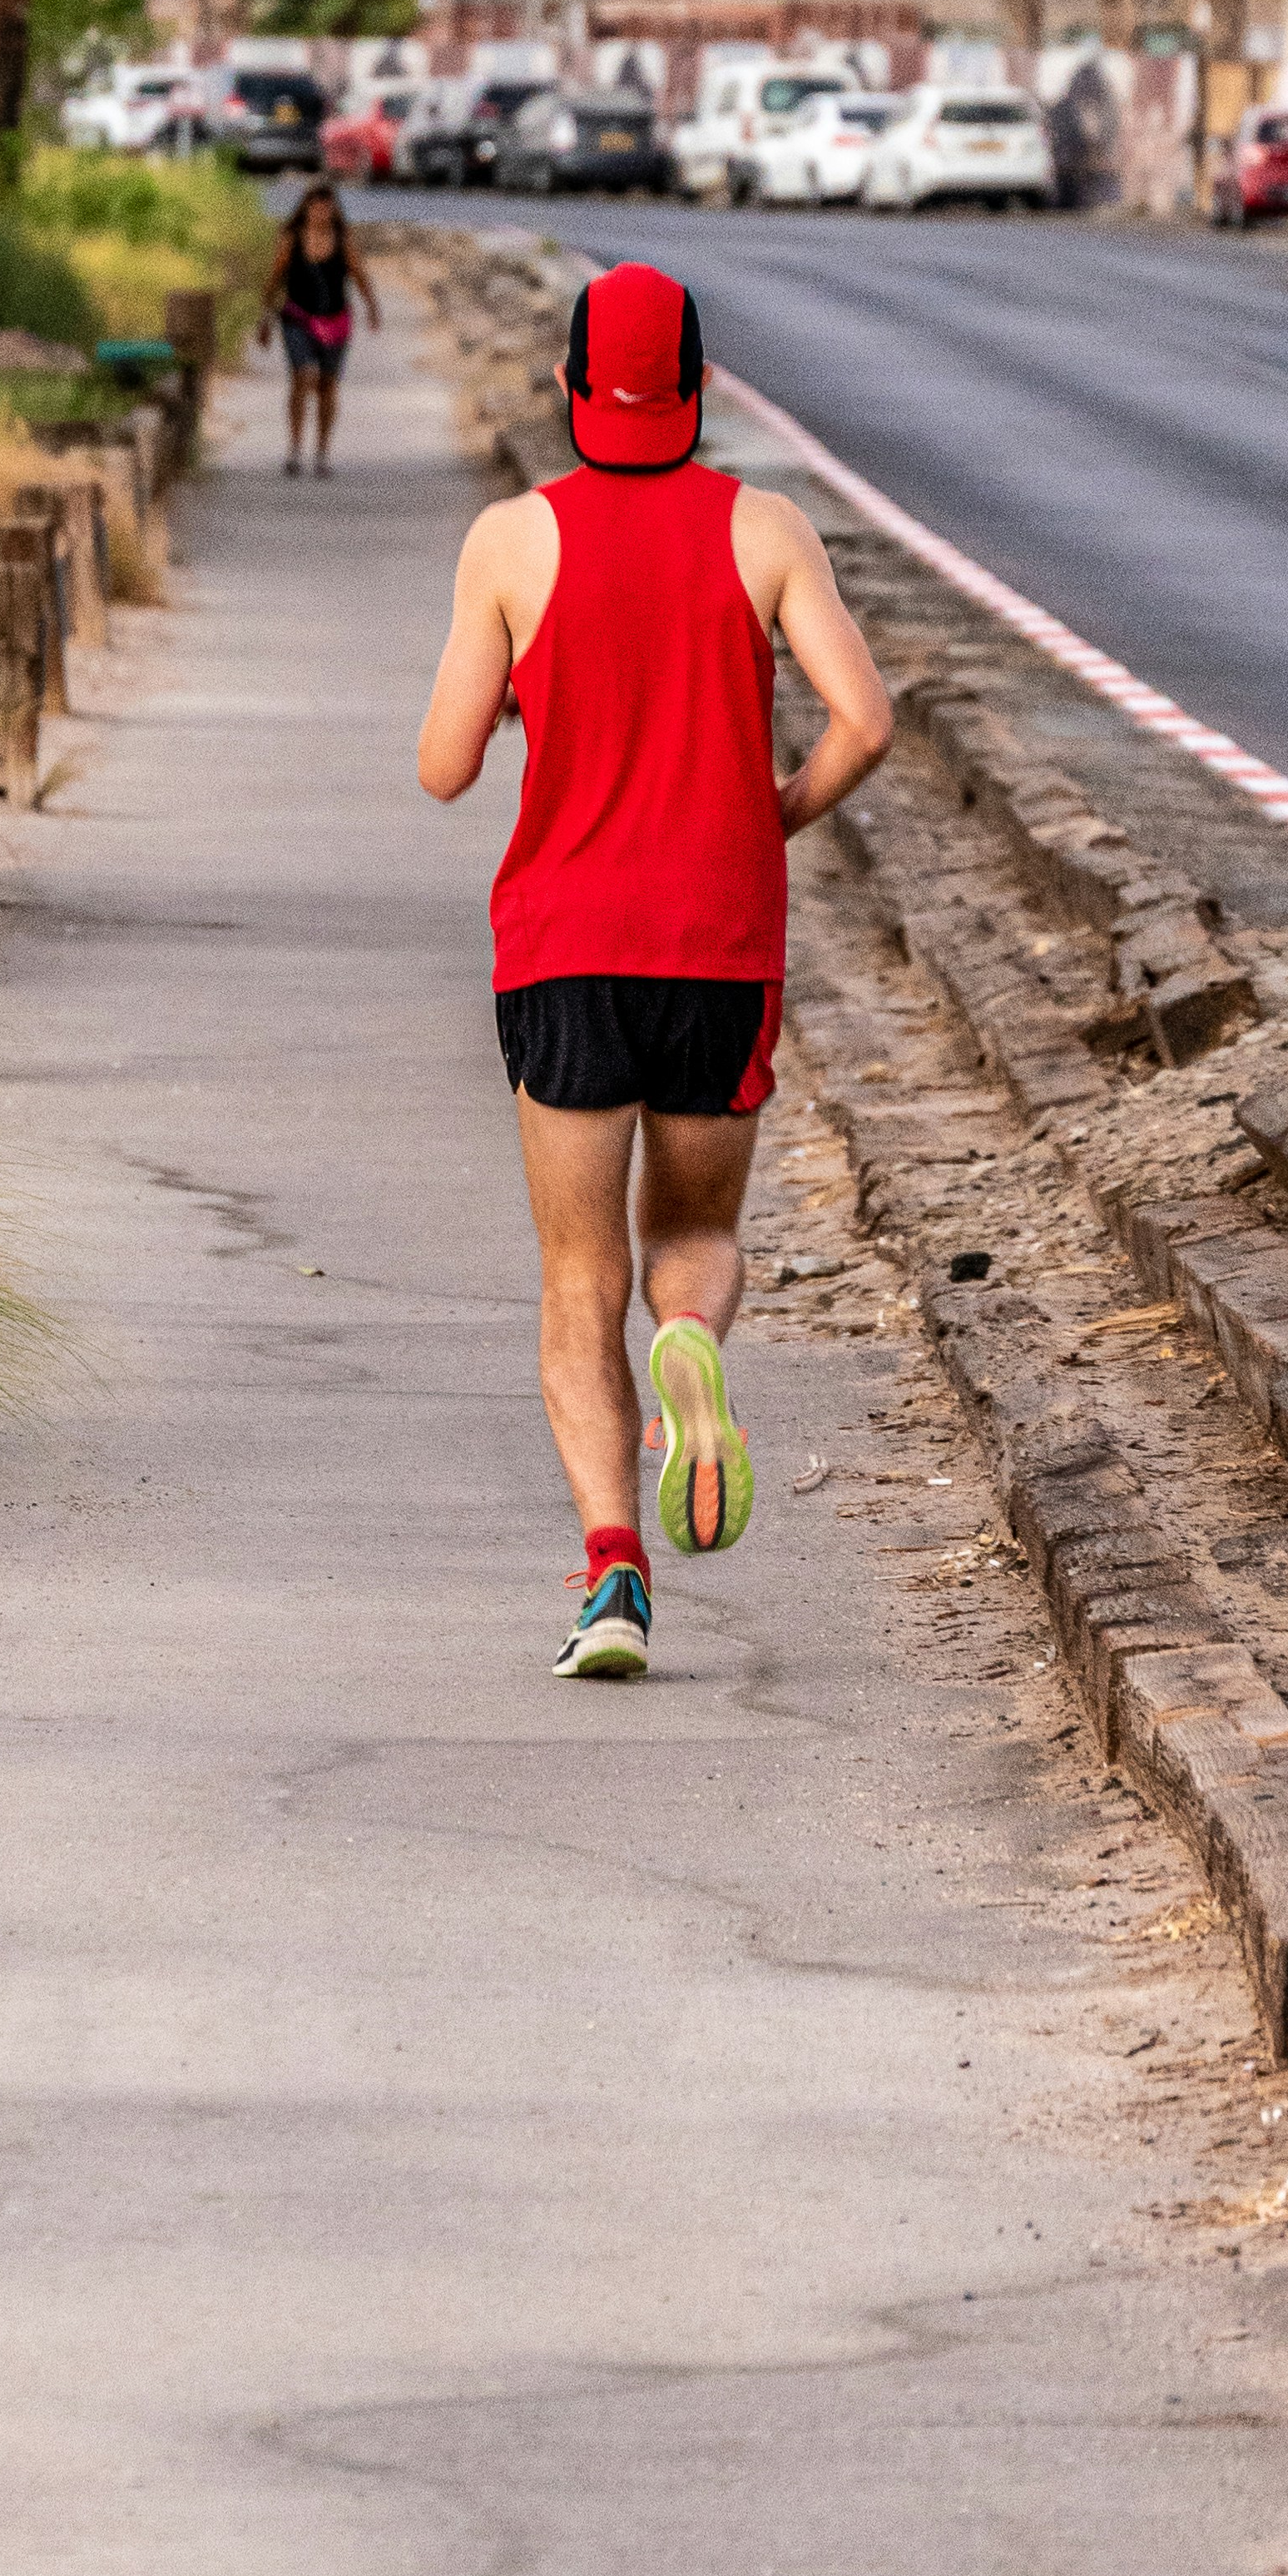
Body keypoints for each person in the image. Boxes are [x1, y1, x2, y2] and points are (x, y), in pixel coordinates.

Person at [416, 260, 894, 1680]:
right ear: (695, 386)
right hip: (717, 938)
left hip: (562, 948)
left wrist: (519, 688)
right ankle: (690, 1341)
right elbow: (862, 719)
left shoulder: (509, 540)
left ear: (571, 389)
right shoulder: (765, 528)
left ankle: (613, 1578)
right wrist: (773, 806)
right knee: (685, 1238)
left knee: (575, 1277)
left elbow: (440, 766)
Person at [257, 182, 382, 475]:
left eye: (326, 207)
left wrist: (372, 307)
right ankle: (295, 447)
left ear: (334, 209)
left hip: (335, 323)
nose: (321, 213)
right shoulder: (291, 239)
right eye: (316, 207)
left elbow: (359, 275)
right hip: (297, 319)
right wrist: (264, 318)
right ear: (306, 208)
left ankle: (322, 451)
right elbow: (275, 277)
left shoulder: (343, 240)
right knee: (303, 376)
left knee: (328, 386)